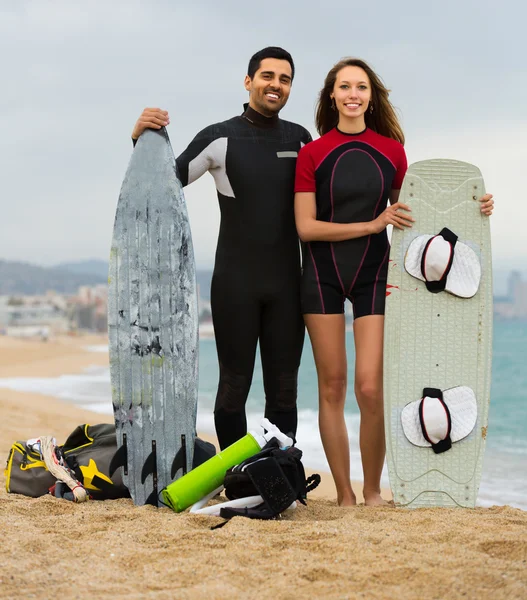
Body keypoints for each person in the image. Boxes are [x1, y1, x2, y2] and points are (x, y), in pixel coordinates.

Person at [294, 58, 494, 506]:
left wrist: (473, 208)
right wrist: (371, 224)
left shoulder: (392, 151)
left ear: (370, 95)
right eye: (344, 86)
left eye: (360, 87)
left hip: (374, 274)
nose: (352, 94)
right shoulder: (313, 152)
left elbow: (418, 215)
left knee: (370, 385)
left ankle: (372, 491)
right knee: (332, 385)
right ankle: (344, 493)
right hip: (322, 276)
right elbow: (306, 227)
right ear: (331, 94)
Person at [131, 47, 312, 450]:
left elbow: (326, 198)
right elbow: (162, 184)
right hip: (236, 284)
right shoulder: (220, 136)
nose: (275, 85)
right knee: (234, 386)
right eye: (267, 76)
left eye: (284, 79)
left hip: (288, 285)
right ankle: (234, 472)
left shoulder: (300, 138)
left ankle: (276, 472)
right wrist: (138, 138)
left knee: (284, 390)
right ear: (248, 81)